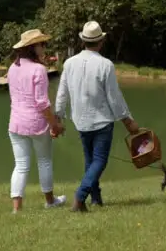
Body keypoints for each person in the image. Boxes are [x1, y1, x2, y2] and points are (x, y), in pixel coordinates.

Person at [54, 21, 140, 212]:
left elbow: (62, 93)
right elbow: (114, 98)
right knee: (99, 161)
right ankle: (80, 197)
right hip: (102, 121)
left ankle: (96, 199)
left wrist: (58, 116)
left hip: (80, 121)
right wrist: (128, 121)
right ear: (101, 41)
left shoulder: (69, 63)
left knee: (90, 161)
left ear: (83, 41)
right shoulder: (105, 65)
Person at [7, 29, 67, 214]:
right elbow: (41, 103)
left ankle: (16, 209)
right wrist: (54, 124)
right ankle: (50, 202)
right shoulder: (39, 70)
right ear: (33, 47)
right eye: (42, 44)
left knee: (21, 165)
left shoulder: (12, 67)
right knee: (44, 162)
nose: (44, 47)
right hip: (36, 124)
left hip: (15, 123)